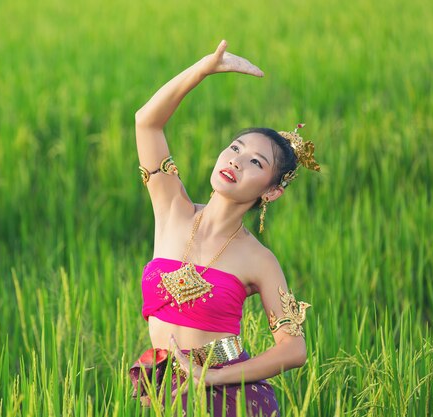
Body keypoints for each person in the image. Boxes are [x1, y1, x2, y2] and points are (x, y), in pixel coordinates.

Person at [129, 40, 319, 417]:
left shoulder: (259, 260)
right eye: (234, 148)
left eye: (255, 162)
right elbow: (146, 121)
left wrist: (211, 378)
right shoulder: (172, 208)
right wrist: (202, 69)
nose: (236, 161)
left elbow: (293, 349)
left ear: (273, 191)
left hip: (230, 398)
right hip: (164, 383)